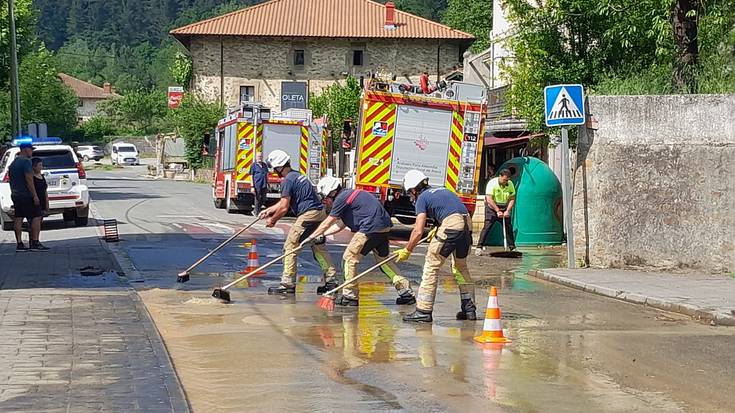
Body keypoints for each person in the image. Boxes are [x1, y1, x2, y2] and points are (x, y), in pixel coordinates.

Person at [301, 176, 416, 307]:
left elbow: (328, 221)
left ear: (332, 192)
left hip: (369, 228)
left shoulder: (340, 199)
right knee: (384, 262)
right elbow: (341, 224)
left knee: (349, 259)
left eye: (326, 198)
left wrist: (311, 237)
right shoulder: (350, 196)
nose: (325, 201)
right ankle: (405, 291)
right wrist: (323, 235)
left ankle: (350, 296)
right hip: (383, 229)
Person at [395, 170, 476, 323]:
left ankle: (423, 310)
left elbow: (418, 230)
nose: (411, 197)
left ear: (413, 189)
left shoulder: (422, 198)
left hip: (452, 225)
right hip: (466, 226)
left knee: (431, 266)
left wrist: (408, 249)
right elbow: (450, 210)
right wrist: (438, 226)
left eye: (410, 193)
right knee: (461, 267)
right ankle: (469, 308)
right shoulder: (442, 190)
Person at [258, 150, 339, 295]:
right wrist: (269, 210)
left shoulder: (287, 180)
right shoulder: (298, 175)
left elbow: (284, 207)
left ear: (279, 167)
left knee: (290, 247)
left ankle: (287, 284)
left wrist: (273, 220)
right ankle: (331, 281)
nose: (274, 171)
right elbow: (283, 203)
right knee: (319, 248)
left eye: (274, 168)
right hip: (319, 213)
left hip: (307, 216)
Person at [8, 142, 46, 251]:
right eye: (31, 149)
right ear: (25, 150)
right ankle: (35, 243)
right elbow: (29, 180)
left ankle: (19, 243)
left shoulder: (13, 163)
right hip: (26, 195)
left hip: (16, 194)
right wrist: (35, 195)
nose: (32, 152)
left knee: (18, 218)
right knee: (36, 217)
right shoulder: (26, 162)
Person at [476, 169, 516, 255]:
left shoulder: (510, 184)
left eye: (507, 180)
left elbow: (512, 198)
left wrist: (508, 210)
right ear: (500, 176)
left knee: (508, 227)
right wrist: (497, 210)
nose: (506, 182)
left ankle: (512, 247)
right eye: (504, 180)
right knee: (487, 226)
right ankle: (479, 247)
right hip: (492, 207)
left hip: (504, 206)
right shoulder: (492, 183)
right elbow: (489, 199)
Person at [31, 157, 50, 249]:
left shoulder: (42, 176)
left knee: (40, 220)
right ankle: (34, 241)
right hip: (35, 202)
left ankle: (36, 239)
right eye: (39, 165)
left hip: (42, 201)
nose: (41, 167)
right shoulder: (32, 178)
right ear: (34, 167)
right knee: (36, 219)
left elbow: (45, 191)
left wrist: (47, 203)